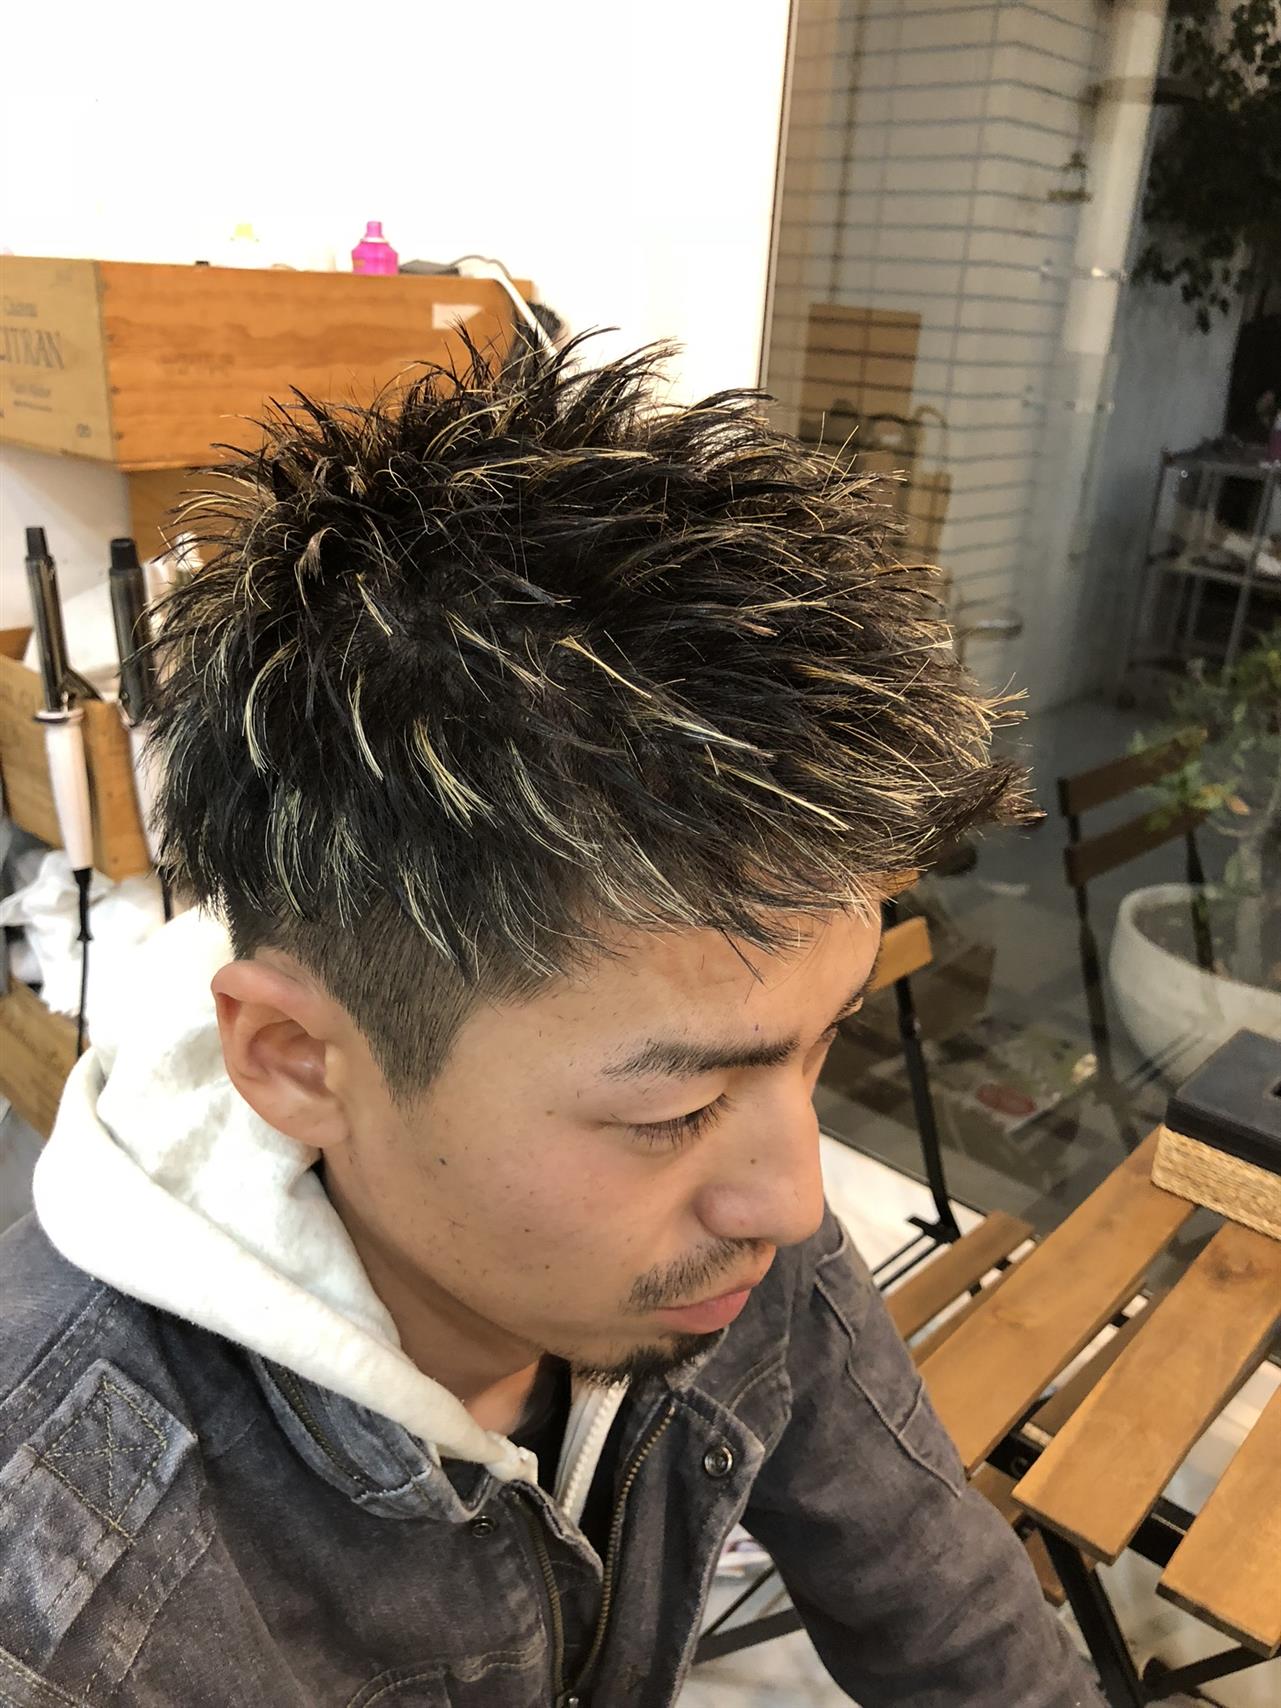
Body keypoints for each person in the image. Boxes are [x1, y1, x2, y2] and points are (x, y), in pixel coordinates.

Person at [0, 334, 1104, 1707]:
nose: (796, 1200)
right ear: (296, 1062)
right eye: (671, 1111)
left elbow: (953, 1620)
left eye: (822, 1046)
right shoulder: (69, 1605)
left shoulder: (722, 1224)